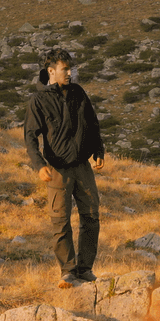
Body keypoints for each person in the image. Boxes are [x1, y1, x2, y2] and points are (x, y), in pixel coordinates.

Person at [24, 47, 106, 286]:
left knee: (91, 217)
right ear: (51, 71)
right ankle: (68, 271)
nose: (70, 73)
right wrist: (39, 165)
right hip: (57, 170)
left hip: (82, 167)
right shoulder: (38, 101)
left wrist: (98, 150)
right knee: (60, 222)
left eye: (71, 68)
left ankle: (85, 269)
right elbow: (30, 136)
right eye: (65, 69)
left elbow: (92, 123)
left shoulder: (79, 93)